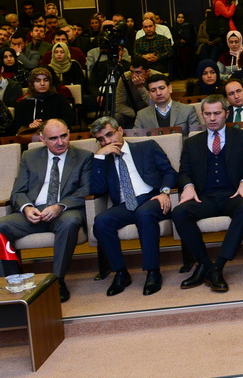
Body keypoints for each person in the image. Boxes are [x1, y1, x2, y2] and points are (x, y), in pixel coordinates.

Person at [172, 95, 243, 293]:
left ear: (226, 114)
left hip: (233, 194)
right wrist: (188, 186)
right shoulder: (192, 143)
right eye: (208, 114)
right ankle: (204, 263)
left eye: (217, 113)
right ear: (202, 115)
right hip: (204, 197)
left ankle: (218, 266)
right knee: (179, 212)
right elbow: (183, 172)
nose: (212, 118)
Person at [0, 119, 92, 302]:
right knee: (1, 226)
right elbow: (18, 192)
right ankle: (12, 281)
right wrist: (27, 208)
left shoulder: (84, 157)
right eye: (53, 138)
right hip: (34, 211)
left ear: (69, 133)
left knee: (70, 222)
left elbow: (86, 190)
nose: (60, 142)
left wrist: (59, 206)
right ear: (42, 139)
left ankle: (58, 281)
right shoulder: (30, 157)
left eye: (64, 136)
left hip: (65, 210)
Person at [88, 116, 177, 297]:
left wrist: (165, 192)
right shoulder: (102, 159)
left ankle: (152, 272)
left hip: (152, 198)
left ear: (120, 130)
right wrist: (99, 156)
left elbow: (169, 173)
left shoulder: (146, 147)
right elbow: (97, 189)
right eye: (101, 139)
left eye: (109, 135)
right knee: (101, 221)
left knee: (144, 214)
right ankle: (121, 273)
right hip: (125, 204)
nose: (107, 141)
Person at [135, 73, 201, 135]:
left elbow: (196, 136)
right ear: (149, 94)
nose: (158, 93)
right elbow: (135, 139)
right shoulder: (142, 115)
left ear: (170, 88)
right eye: (153, 90)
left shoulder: (187, 110)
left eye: (161, 88)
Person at [15, 68, 77, 134]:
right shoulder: (24, 103)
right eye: (37, 81)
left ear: (50, 82)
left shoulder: (59, 99)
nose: (42, 84)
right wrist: (30, 126)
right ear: (32, 83)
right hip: (31, 136)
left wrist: (48, 124)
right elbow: (16, 126)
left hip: (56, 135)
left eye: (46, 80)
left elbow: (71, 120)